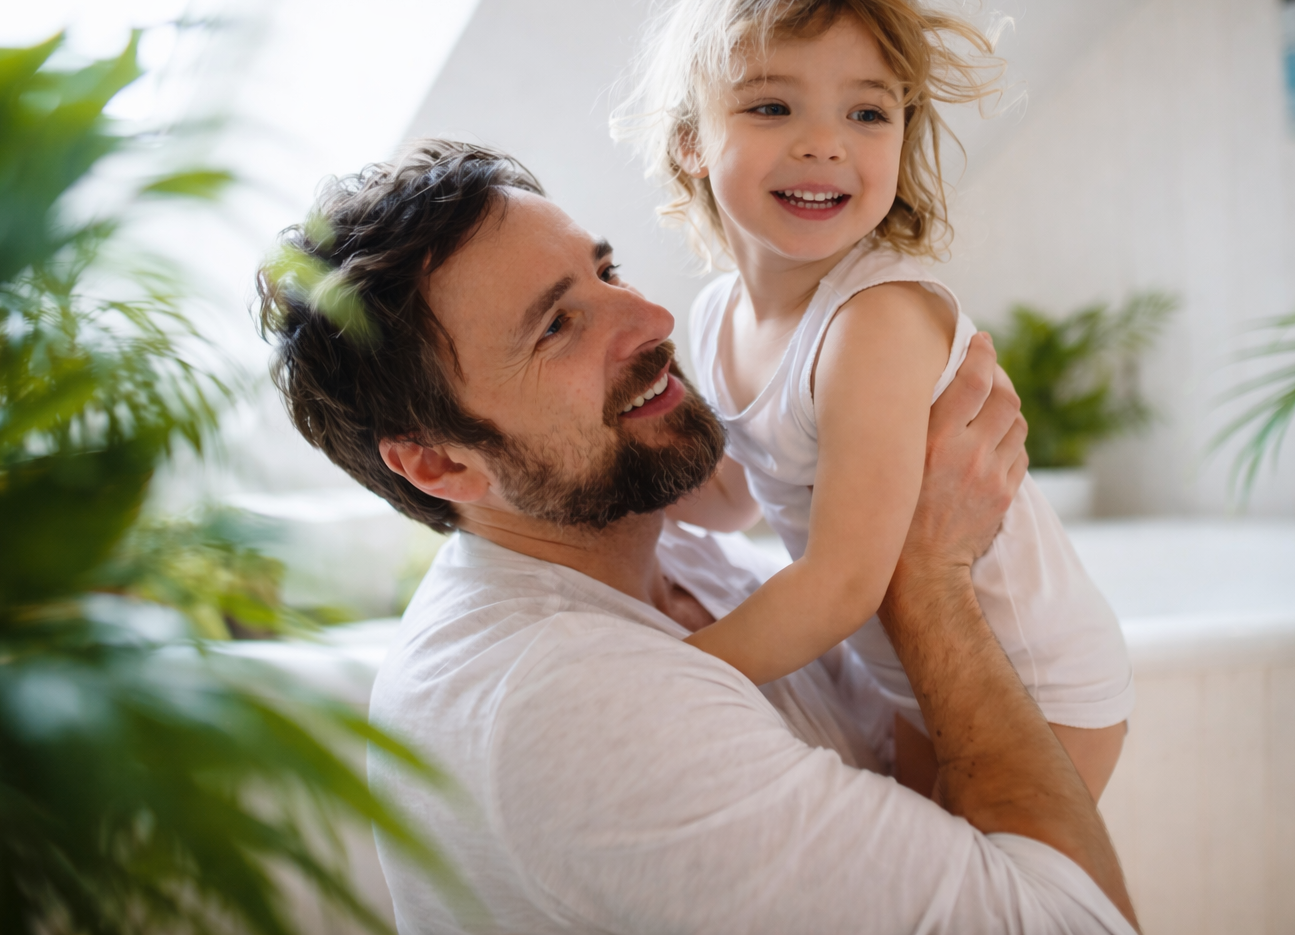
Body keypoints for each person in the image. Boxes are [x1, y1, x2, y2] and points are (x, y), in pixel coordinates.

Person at [258, 140, 1138, 933]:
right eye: (558, 325)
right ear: (441, 467)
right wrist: (930, 576)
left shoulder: (665, 553)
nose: (650, 320)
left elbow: (911, 788)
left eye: (607, 271)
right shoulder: (565, 709)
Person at [611, 0, 1132, 796]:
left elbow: (844, 581)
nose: (825, 144)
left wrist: (667, 679)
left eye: (867, 114)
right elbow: (737, 495)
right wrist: (608, 477)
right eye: (774, 106)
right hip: (913, 677)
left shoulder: (874, 322)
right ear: (690, 144)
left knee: (998, 907)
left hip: (1036, 682)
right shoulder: (713, 317)